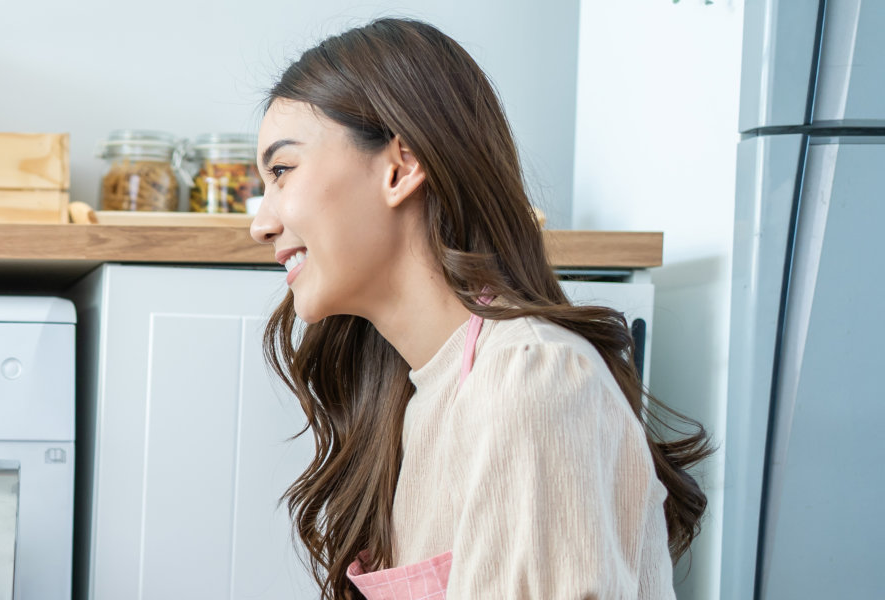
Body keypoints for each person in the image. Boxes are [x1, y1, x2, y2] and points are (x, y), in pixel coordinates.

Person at [247, 19, 711, 599]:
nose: (261, 224)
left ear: (401, 166)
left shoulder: (533, 377)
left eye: (282, 171)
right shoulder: (415, 397)